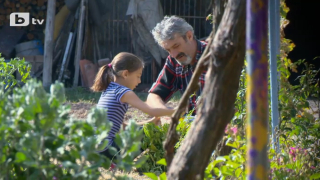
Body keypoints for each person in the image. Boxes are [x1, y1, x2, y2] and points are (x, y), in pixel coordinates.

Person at [91, 52, 175, 165]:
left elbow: (122, 127)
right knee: (151, 132)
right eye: (138, 76)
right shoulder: (124, 92)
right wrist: (178, 110)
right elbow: (150, 110)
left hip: (96, 150)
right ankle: (117, 161)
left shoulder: (109, 89)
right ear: (125, 74)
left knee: (143, 129)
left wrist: (149, 122)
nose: (139, 81)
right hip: (108, 150)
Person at [147, 15, 208, 115]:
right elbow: (153, 96)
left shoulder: (215, 56)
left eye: (176, 46)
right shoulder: (174, 61)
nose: (174, 54)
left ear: (189, 36)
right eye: (168, 50)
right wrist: (166, 113)